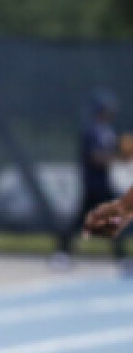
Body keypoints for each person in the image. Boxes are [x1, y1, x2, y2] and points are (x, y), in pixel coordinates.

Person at [56, 90, 125, 267]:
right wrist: (117, 158)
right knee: (108, 218)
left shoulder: (107, 131)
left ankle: (62, 253)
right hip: (94, 184)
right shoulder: (91, 131)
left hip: (103, 182)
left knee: (91, 219)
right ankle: (122, 258)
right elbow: (95, 157)